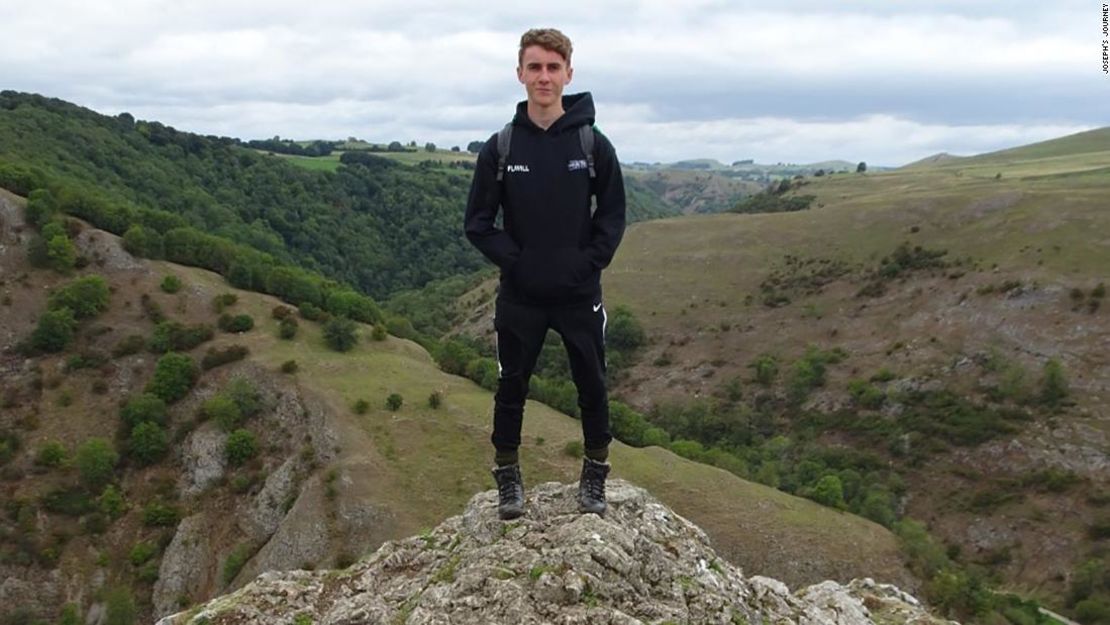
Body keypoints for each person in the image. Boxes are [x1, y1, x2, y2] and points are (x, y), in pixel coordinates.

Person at [464, 27, 626, 520]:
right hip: (521, 296)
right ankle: (508, 477)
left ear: (568, 74)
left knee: (592, 384)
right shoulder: (502, 147)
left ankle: (595, 473)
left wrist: (585, 263)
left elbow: (613, 217)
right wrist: (519, 263)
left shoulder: (592, 143)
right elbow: (477, 223)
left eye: (553, 68)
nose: (544, 77)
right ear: (519, 74)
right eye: (534, 67)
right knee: (511, 385)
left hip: (579, 294)